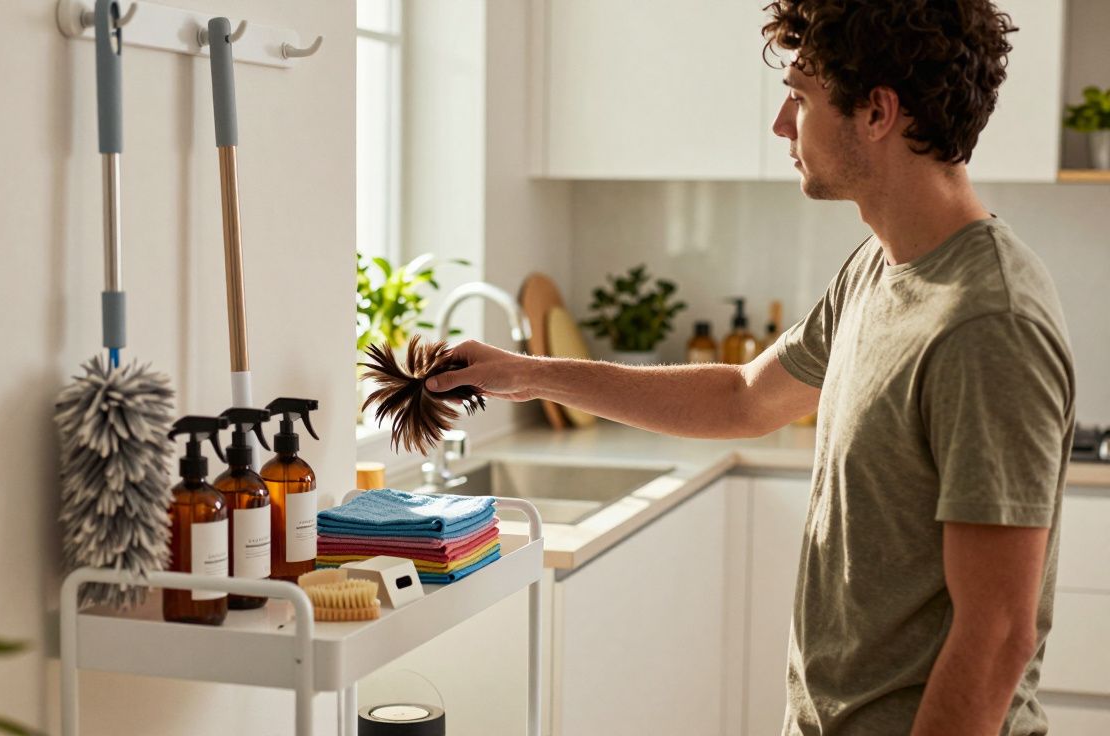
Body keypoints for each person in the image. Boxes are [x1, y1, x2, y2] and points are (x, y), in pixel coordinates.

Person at [425, 1, 1075, 734]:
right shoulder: (880, 269)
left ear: (878, 113)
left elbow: (997, 634)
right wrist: (529, 373)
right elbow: (739, 397)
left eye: (800, 97)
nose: (780, 125)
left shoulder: (987, 321)